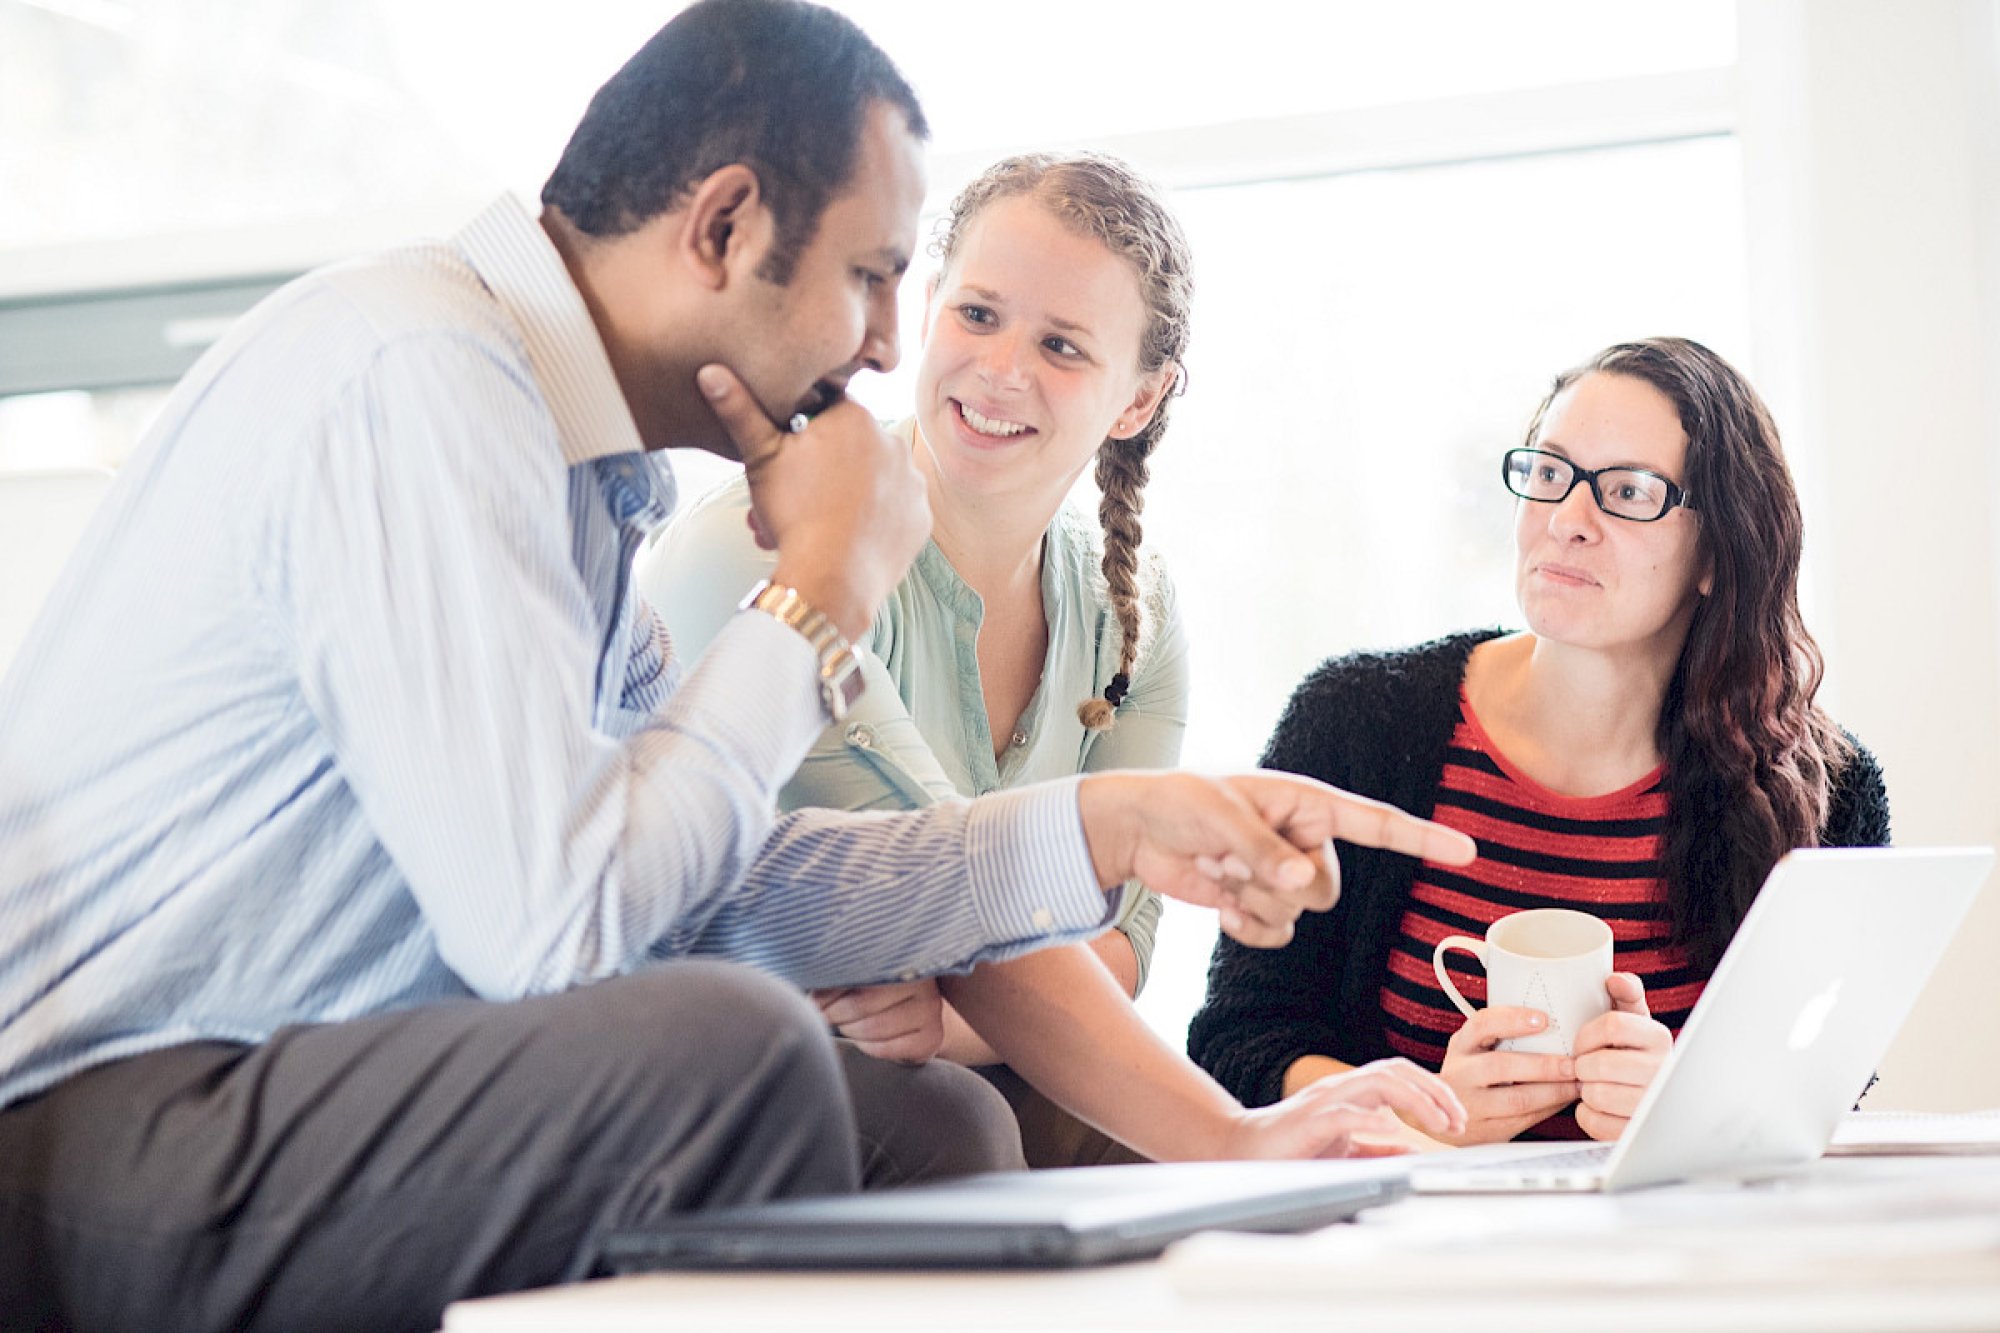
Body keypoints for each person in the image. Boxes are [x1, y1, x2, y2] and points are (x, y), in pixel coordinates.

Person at [0, 4, 1472, 1329]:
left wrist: (1097, 826)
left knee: (938, 1129)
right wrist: (820, 589)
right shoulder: (423, 382)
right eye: (876, 279)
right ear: (721, 227)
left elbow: (704, 887)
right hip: (100, 1130)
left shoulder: (577, 482)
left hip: (299, 1091)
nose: (891, 350)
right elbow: (563, 935)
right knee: (731, 1047)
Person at [643, 151, 1206, 1167]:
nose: (1000, 371)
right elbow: (949, 881)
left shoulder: (1136, 612)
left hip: (946, 1047)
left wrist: (952, 1022)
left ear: (1136, 399)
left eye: (1063, 346)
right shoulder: (765, 548)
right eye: (977, 315)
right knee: (965, 1121)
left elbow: (1122, 942)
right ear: (928, 303)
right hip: (711, 1049)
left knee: (1132, 1139)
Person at [1188, 337, 1891, 1147]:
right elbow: (1234, 1044)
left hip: (1677, 1255)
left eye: (1628, 491)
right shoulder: (1356, 722)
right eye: (1551, 474)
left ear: (1718, 552)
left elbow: (1830, 1084)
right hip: (1408, 1251)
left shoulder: (1827, 787)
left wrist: (1691, 1107)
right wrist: (1419, 1114)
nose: (1568, 521)